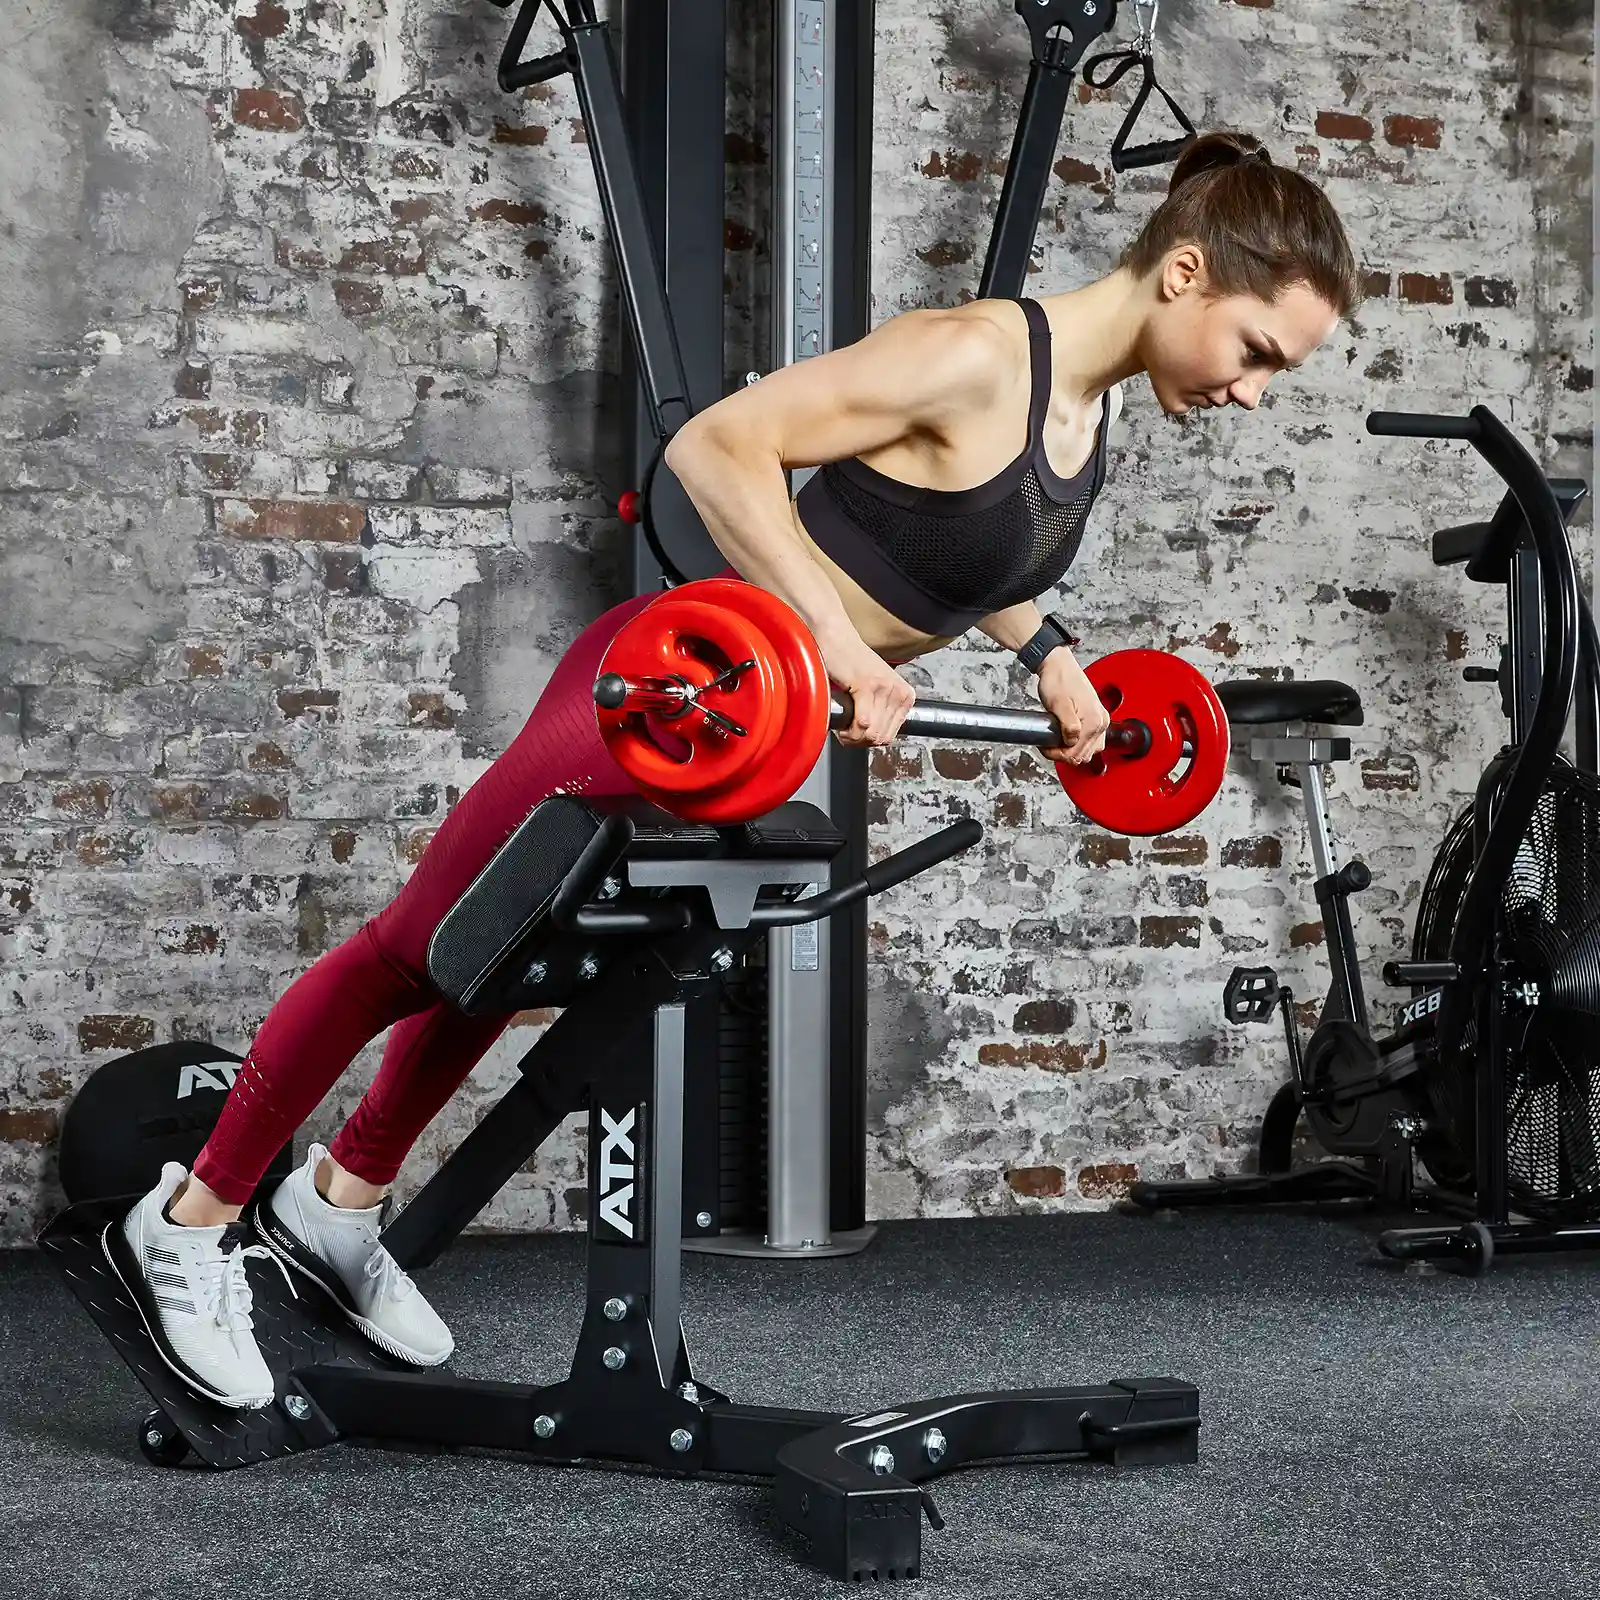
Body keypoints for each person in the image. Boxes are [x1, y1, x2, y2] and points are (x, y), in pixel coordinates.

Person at [107, 130, 1359, 1411]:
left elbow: (951, 541)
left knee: (507, 959)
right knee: (413, 951)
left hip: (750, 736)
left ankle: (338, 1203)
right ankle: (191, 1220)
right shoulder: (974, 352)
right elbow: (715, 447)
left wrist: (1046, 650)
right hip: (663, 691)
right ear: (1187, 274)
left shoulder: (1082, 412)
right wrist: (830, 642)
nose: (1253, 394)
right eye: (1259, 353)